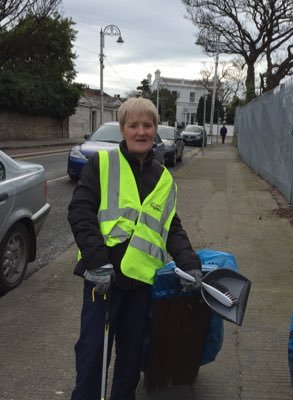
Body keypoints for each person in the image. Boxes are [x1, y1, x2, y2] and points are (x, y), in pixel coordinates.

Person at [68, 97, 202, 400]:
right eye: (133, 126)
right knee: (93, 353)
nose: (141, 132)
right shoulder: (101, 164)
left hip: (141, 283)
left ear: (155, 129)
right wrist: (97, 261)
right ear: (123, 129)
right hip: (103, 281)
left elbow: (172, 228)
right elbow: (80, 212)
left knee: (130, 358)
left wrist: (190, 263)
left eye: (147, 125)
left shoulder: (164, 178)